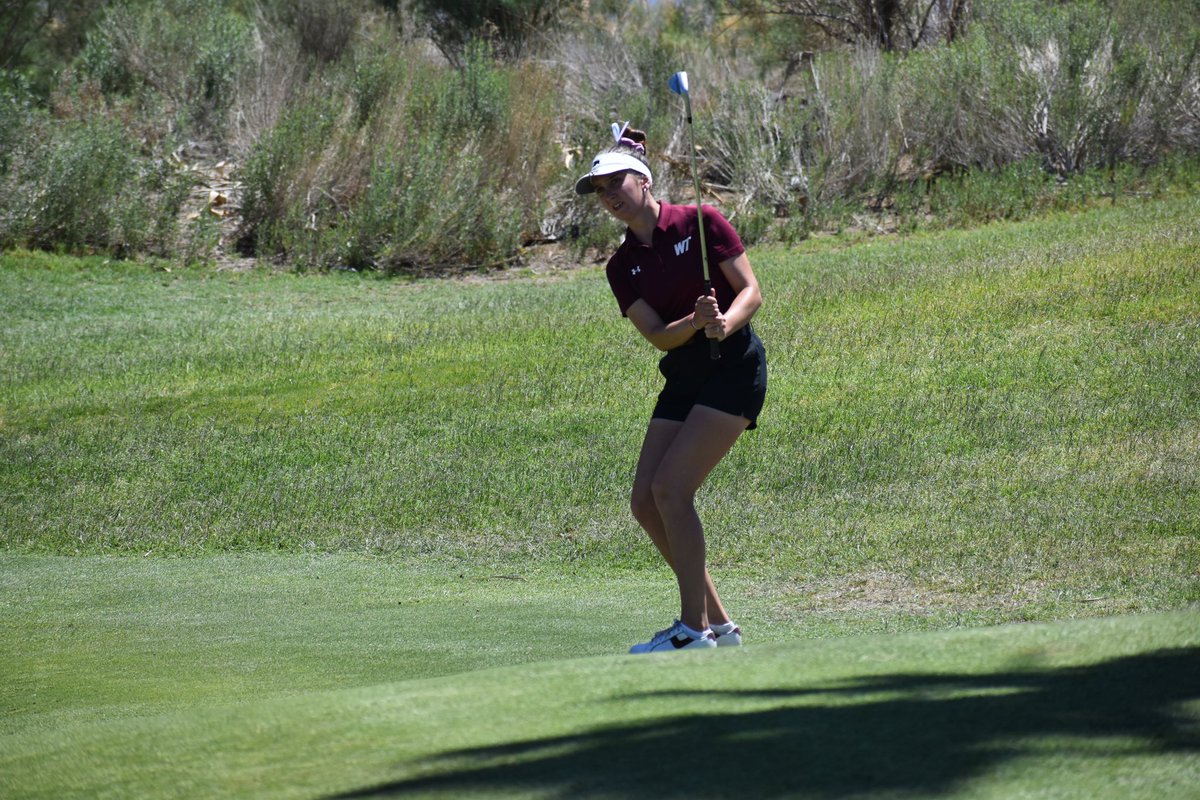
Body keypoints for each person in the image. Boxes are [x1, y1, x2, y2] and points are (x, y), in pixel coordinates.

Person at [575, 126, 767, 653]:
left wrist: (723, 322)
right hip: (683, 375)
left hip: (732, 368)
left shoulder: (701, 221)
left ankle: (693, 628)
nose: (610, 195)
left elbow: (751, 291)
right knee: (645, 502)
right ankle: (720, 628)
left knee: (672, 491)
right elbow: (659, 336)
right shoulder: (621, 267)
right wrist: (693, 319)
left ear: (643, 180)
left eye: (617, 182)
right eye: (600, 189)